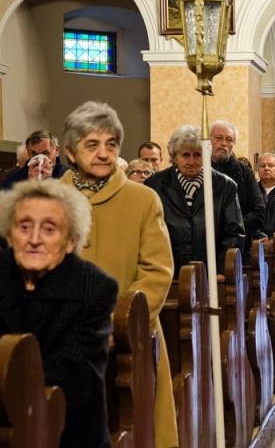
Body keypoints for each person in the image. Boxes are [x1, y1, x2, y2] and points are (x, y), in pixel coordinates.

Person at [60, 101, 178, 447]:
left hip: (132, 339)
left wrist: (119, 322)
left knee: (139, 428)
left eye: (110, 144)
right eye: (92, 144)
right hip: (62, 342)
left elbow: (157, 271)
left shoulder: (142, 199)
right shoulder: (49, 199)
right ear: (70, 151)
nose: (103, 153)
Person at [0, 179, 118, 448]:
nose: (34, 240)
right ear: (9, 235)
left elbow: (73, 376)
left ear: (71, 241)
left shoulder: (95, 288)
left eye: (49, 229)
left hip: (69, 431)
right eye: (24, 227)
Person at [146, 125, 245, 274]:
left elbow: (234, 233)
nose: (191, 161)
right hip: (167, 271)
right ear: (174, 157)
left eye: (197, 155)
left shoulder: (225, 185)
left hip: (211, 272)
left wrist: (221, 271)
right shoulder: (155, 184)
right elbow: (149, 232)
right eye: (185, 155)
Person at [210, 120, 266, 250]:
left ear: (233, 144)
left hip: (238, 244)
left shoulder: (244, 172)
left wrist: (232, 227)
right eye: (219, 138)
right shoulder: (199, 169)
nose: (224, 143)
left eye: (229, 140)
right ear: (209, 140)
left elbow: (258, 210)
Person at [3, 129, 68, 188]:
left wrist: (49, 183)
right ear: (28, 153)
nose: (40, 159)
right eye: (34, 154)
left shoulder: (68, 176)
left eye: (45, 153)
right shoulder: (13, 179)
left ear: (57, 151)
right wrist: (30, 184)